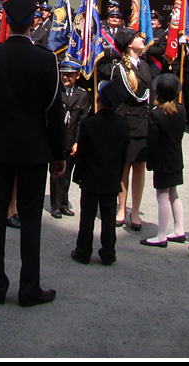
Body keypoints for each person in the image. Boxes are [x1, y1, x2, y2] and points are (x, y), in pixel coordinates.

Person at [0, 0, 66, 307]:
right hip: (35, 150)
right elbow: (55, 111)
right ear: (32, 22)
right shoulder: (47, 59)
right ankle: (29, 288)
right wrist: (59, 153)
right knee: (31, 218)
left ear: (6, 21)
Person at [70, 77, 130, 265]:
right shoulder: (122, 125)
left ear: (98, 100)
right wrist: (118, 176)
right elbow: (123, 155)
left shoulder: (90, 124)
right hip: (111, 178)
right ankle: (108, 252)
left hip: (90, 178)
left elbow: (83, 154)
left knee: (87, 218)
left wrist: (78, 175)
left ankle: (83, 251)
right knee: (109, 218)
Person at [113, 27, 152, 231]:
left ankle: (135, 211)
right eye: (137, 37)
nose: (142, 39)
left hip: (143, 124)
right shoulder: (119, 68)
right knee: (123, 168)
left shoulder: (145, 67)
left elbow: (150, 97)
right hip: (126, 123)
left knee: (139, 168)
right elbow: (117, 101)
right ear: (129, 44)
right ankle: (122, 208)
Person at [141, 74, 186, 247]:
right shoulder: (181, 110)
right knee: (174, 194)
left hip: (162, 160)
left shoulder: (156, 115)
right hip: (176, 157)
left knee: (163, 196)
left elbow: (152, 141)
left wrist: (149, 162)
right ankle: (179, 229)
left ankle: (161, 235)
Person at [50, 59, 91, 219]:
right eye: (63, 75)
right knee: (56, 174)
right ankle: (55, 205)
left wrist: (78, 142)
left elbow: (82, 120)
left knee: (67, 174)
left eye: (70, 75)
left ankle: (64, 204)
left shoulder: (81, 95)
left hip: (71, 140)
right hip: (57, 140)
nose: (66, 78)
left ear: (77, 76)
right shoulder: (56, 92)